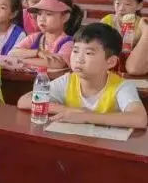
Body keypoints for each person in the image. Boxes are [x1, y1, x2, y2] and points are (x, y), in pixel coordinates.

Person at [17, 23, 148, 129]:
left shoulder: (122, 86)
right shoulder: (68, 80)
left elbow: (140, 119)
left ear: (111, 62)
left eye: (89, 53)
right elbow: (24, 101)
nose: (79, 59)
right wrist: (69, 110)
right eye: (75, 51)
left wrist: (86, 116)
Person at [7, 0, 83, 70]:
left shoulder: (68, 42)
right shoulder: (34, 37)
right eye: (39, 14)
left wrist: (21, 60)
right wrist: (38, 53)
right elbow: (12, 53)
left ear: (65, 17)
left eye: (49, 14)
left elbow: (57, 63)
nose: (42, 19)